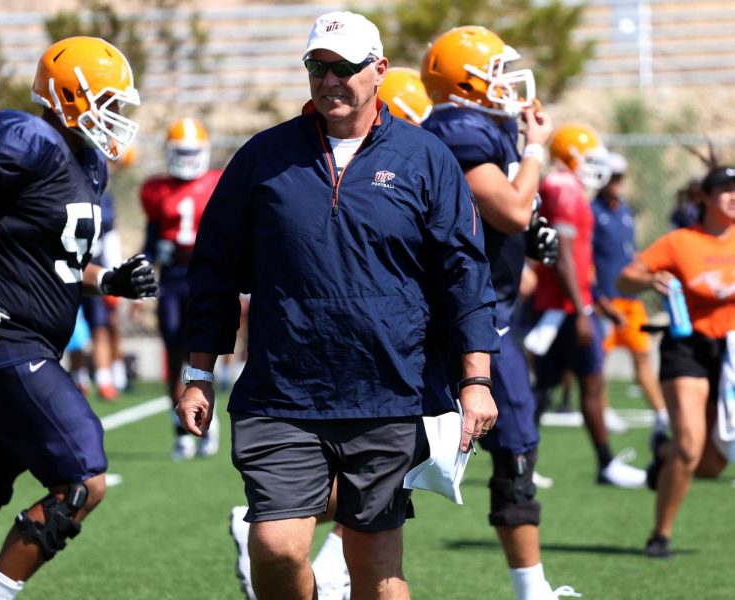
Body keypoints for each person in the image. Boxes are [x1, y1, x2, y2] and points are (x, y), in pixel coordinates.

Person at [177, 11, 500, 600]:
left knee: (377, 574)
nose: (330, 81)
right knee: (275, 549)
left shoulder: (425, 158)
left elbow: (466, 275)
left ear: (379, 71)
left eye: (345, 68)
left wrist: (475, 377)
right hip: (282, 393)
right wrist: (200, 373)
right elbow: (215, 271)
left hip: (389, 391)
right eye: (317, 67)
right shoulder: (262, 157)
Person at [0, 36, 157, 600]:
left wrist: (105, 280)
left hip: (0, 346)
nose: (117, 115)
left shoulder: (85, 161)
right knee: (82, 480)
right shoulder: (28, 139)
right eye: (108, 100)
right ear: (70, 97)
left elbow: (56, 259)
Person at [421, 25, 579, 600]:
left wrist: (528, 238)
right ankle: (279, 522)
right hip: (460, 324)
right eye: (496, 73)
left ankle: (532, 591)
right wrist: (536, 149)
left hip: (491, 315)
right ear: (464, 83)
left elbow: (506, 222)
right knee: (405, 461)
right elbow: (510, 208)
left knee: (514, 454)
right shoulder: (456, 128)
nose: (510, 84)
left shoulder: (482, 129)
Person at [617, 165, 735, 558]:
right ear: (704, 197)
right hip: (688, 350)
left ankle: (661, 457)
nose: (733, 196)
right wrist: (648, 281)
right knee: (689, 446)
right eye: (725, 189)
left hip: (731, 353)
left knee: (713, 463)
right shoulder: (680, 242)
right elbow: (624, 280)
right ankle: (660, 535)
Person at [531, 123, 647, 488]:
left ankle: (520, 461)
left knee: (544, 388)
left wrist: (599, 300)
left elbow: (575, 260)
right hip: (566, 308)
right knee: (590, 384)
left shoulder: (562, 187)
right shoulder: (564, 190)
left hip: (562, 303)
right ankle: (605, 463)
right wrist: (584, 310)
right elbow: (563, 256)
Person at [140, 116, 223, 460]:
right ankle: (181, 431)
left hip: (205, 275)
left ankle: (207, 421)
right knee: (173, 355)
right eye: (181, 151)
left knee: (199, 355)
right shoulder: (155, 189)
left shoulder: (218, 182)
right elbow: (150, 237)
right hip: (173, 277)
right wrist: (145, 272)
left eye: (192, 151)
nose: (187, 159)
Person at [591, 153, 668, 433]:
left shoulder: (624, 212)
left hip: (630, 299)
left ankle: (661, 412)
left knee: (643, 354)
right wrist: (598, 298)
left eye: (620, 177)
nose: (617, 183)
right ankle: (604, 410)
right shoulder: (592, 212)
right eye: (613, 177)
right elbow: (588, 260)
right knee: (599, 362)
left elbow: (627, 254)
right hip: (606, 299)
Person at [70, 190, 126, 401]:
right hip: (67, 269)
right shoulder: (56, 184)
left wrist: (115, 272)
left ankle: (104, 379)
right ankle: (79, 378)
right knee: (71, 328)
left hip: (95, 272)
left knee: (100, 326)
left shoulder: (102, 195)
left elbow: (110, 235)